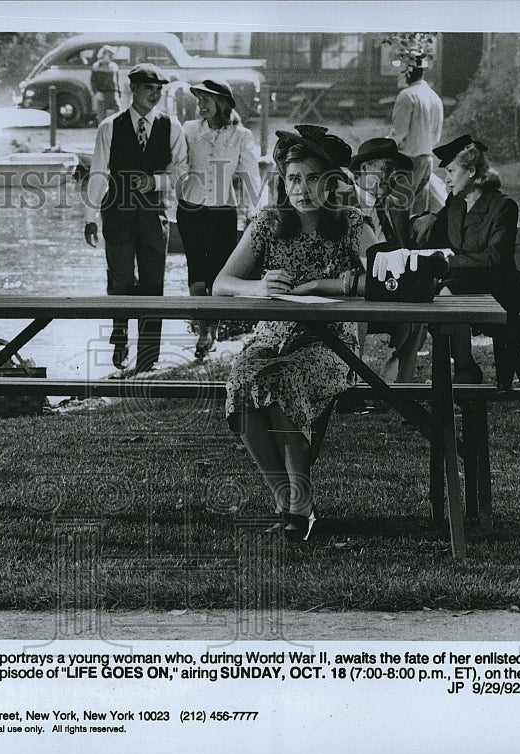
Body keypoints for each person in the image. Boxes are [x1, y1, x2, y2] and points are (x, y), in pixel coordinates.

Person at [213, 125, 377, 542]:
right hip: (274, 336)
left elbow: (384, 279)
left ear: (333, 182)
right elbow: (222, 283)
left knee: (283, 380)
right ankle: (284, 497)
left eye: (313, 178)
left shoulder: (353, 223)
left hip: (332, 341)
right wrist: (258, 287)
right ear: (282, 182)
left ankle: (299, 502)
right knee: (243, 381)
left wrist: (325, 286)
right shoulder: (268, 223)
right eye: (293, 179)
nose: (302, 189)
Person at [84, 63, 188, 372]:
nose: (154, 95)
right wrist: (90, 217)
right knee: (121, 280)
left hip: (154, 215)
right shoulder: (110, 126)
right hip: (116, 213)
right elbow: (99, 172)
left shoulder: (172, 126)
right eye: (148, 89)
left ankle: (147, 359)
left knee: (153, 284)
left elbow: (180, 170)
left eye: (158, 90)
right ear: (133, 89)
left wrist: (155, 182)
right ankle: (119, 341)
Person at [412, 135, 520, 393]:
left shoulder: (503, 207)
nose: (445, 178)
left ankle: (465, 370)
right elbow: (440, 241)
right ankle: (465, 368)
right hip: (463, 284)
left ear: (471, 171)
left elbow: (495, 258)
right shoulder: (455, 203)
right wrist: (430, 218)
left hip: (499, 290)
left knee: (445, 294)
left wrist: (449, 261)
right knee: (438, 296)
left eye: (450, 171)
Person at [177, 78, 260, 360]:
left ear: (221, 103)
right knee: (197, 274)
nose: (201, 106)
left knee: (219, 276)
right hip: (191, 209)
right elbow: (176, 165)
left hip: (223, 212)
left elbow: (250, 175)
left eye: (206, 101)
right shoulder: (188, 130)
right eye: (199, 101)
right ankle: (203, 332)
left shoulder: (241, 135)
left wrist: (253, 212)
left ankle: (213, 326)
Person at [349, 137, 426, 383]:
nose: (392, 176)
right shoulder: (342, 205)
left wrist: (428, 217)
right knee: (353, 316)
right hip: (351, 292)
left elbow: (405, 249)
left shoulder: (395, 207)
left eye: (395, 170)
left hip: (389, 290)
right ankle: (350, 386)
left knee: (416, 316)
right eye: (386, 168)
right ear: (364, 168)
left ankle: (395, 388)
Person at [386, 49, 443, 216]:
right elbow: (436, 136)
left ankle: (399, 242)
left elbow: (398, 133)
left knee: (398, 210)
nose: (398, 75)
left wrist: (382, 147)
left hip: (408, 162)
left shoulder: (407, 95)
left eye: (400, 70)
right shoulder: (434, 97)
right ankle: (412, 242)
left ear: (407, 72)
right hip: (426, 160)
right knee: (417, 211)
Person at [90, 45, 119, 123]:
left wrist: (118, 95)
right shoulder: (96, 66)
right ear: (105, 54)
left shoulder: (114, 66)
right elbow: (93, 81)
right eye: (110, 55)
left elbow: (117, 82)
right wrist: (96, 92)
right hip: (102, 94)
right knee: (102, 117)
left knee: (118, 116)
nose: (112, 57)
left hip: (113, 94)